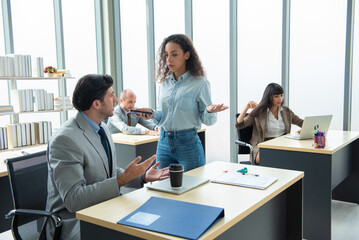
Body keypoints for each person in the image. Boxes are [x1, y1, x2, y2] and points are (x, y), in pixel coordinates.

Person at [46, 74, 168, 240]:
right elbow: (74, 200)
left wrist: (142, 176)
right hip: (74, 222)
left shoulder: (102, 128)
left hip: (105, 208)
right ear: (96, 104)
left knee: (158, 222)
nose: (117, 100)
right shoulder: (65, 139)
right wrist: (121, 180)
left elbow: (109, 172)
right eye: (111, 95)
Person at [135, 34, 228, 172]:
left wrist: (208, 111)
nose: (169, 60)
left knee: (193, 188)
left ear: (187, 55)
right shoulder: (164, 84)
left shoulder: (200, 83)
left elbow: (209, 121)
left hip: (188, 144)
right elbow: (163, 115)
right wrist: (152, 114)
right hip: (163, 142)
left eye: (174, 54)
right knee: (162, 188)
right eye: (166, 55)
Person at [235, 83, 303, 164]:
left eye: (281, 95)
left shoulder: (286, 111)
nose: (280, 99)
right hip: (262, 145)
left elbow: (300, 122)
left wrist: (305, 129)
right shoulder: (259, 112)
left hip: (282, 144)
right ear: (269, 97)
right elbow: (240, 124)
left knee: (297, 157)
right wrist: (246, 108)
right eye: (276, 96)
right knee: (270, 158)